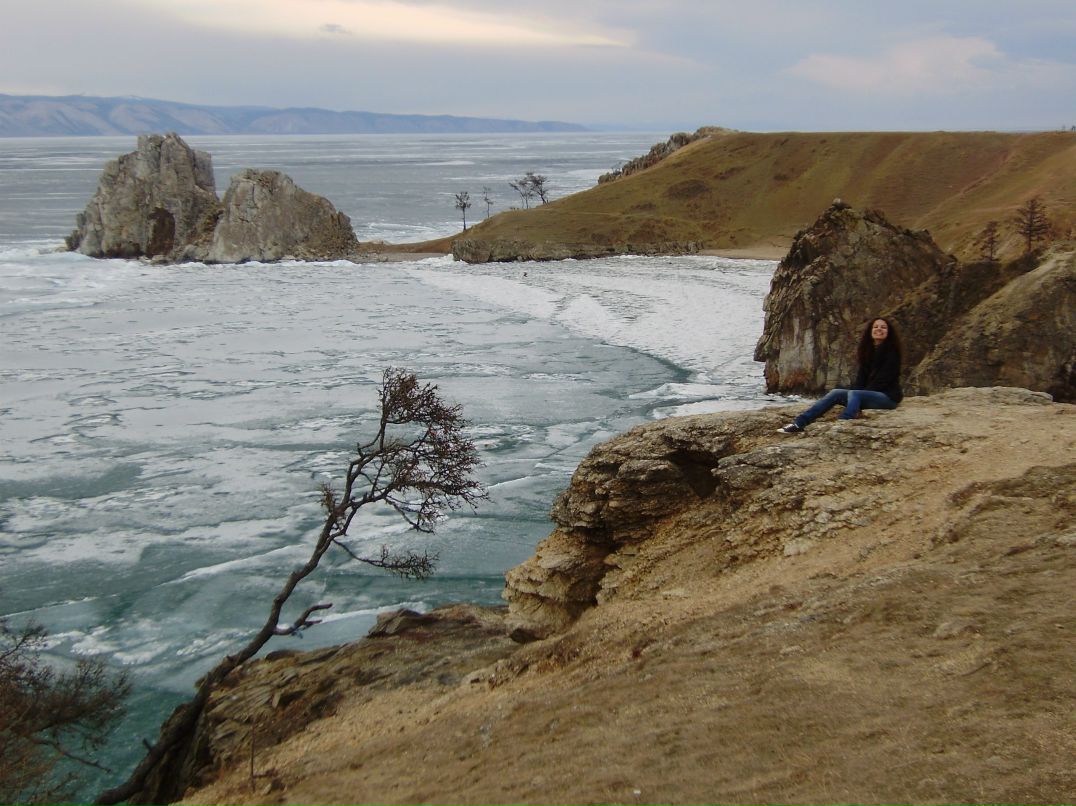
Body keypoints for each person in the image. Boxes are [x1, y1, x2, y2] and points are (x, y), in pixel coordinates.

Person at [777, 317, 903, 433]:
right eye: (876, 327)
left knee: (854, 393)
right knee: (836, 392)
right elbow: (861, 379)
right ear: (870, 331)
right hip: (867, 395)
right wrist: (858, 397)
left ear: (888, 332)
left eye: (883, 327)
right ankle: (799, 423)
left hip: (887, 398)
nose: (879, 329)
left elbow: (882, 381)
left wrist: (860, 398)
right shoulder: (868, 351)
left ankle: (844, 422)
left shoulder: (892, 353)